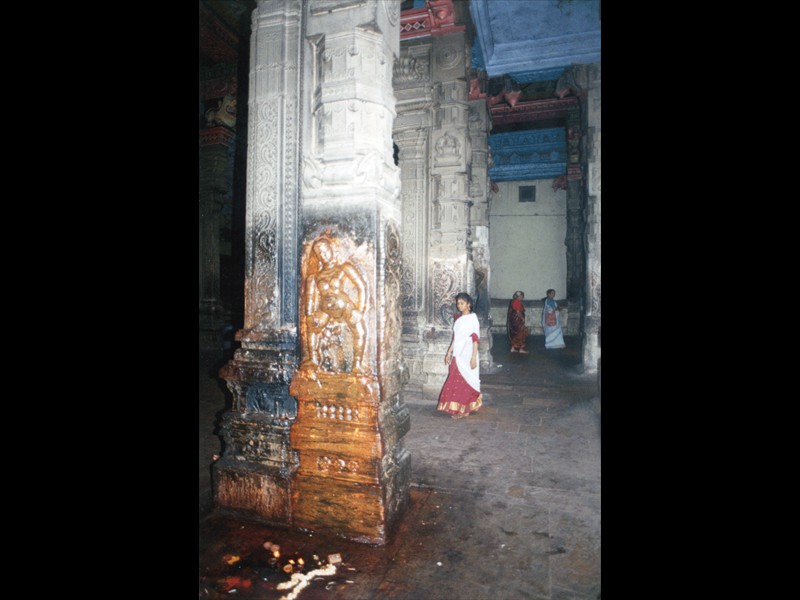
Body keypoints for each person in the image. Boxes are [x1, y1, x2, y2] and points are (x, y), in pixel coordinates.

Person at [301, 235, 368, 374]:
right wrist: (309, 315)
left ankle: (357, 364)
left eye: (325, 251)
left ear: (332, 249)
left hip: (345, 307)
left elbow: (362, 287)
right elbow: (310, 299)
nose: (323, 255)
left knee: (360, 330)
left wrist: (360, 310)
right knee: (312, 327)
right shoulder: (315, 277)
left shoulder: (344, 268)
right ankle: (313, 359)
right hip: (325, 309)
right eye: (319, 253)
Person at [437, 292, 483, 419]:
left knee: (466, 380)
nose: (459, 306)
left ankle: (464, 410)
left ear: (469, 304)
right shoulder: (458, 319)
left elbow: (475, 339)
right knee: (455, 378)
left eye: (462, 303)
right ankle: (458, 408)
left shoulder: (473, 318)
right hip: (457, 354)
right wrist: (449, 352)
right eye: (458, 303)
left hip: (467, 354)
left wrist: (473, 357)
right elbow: (455, 338)